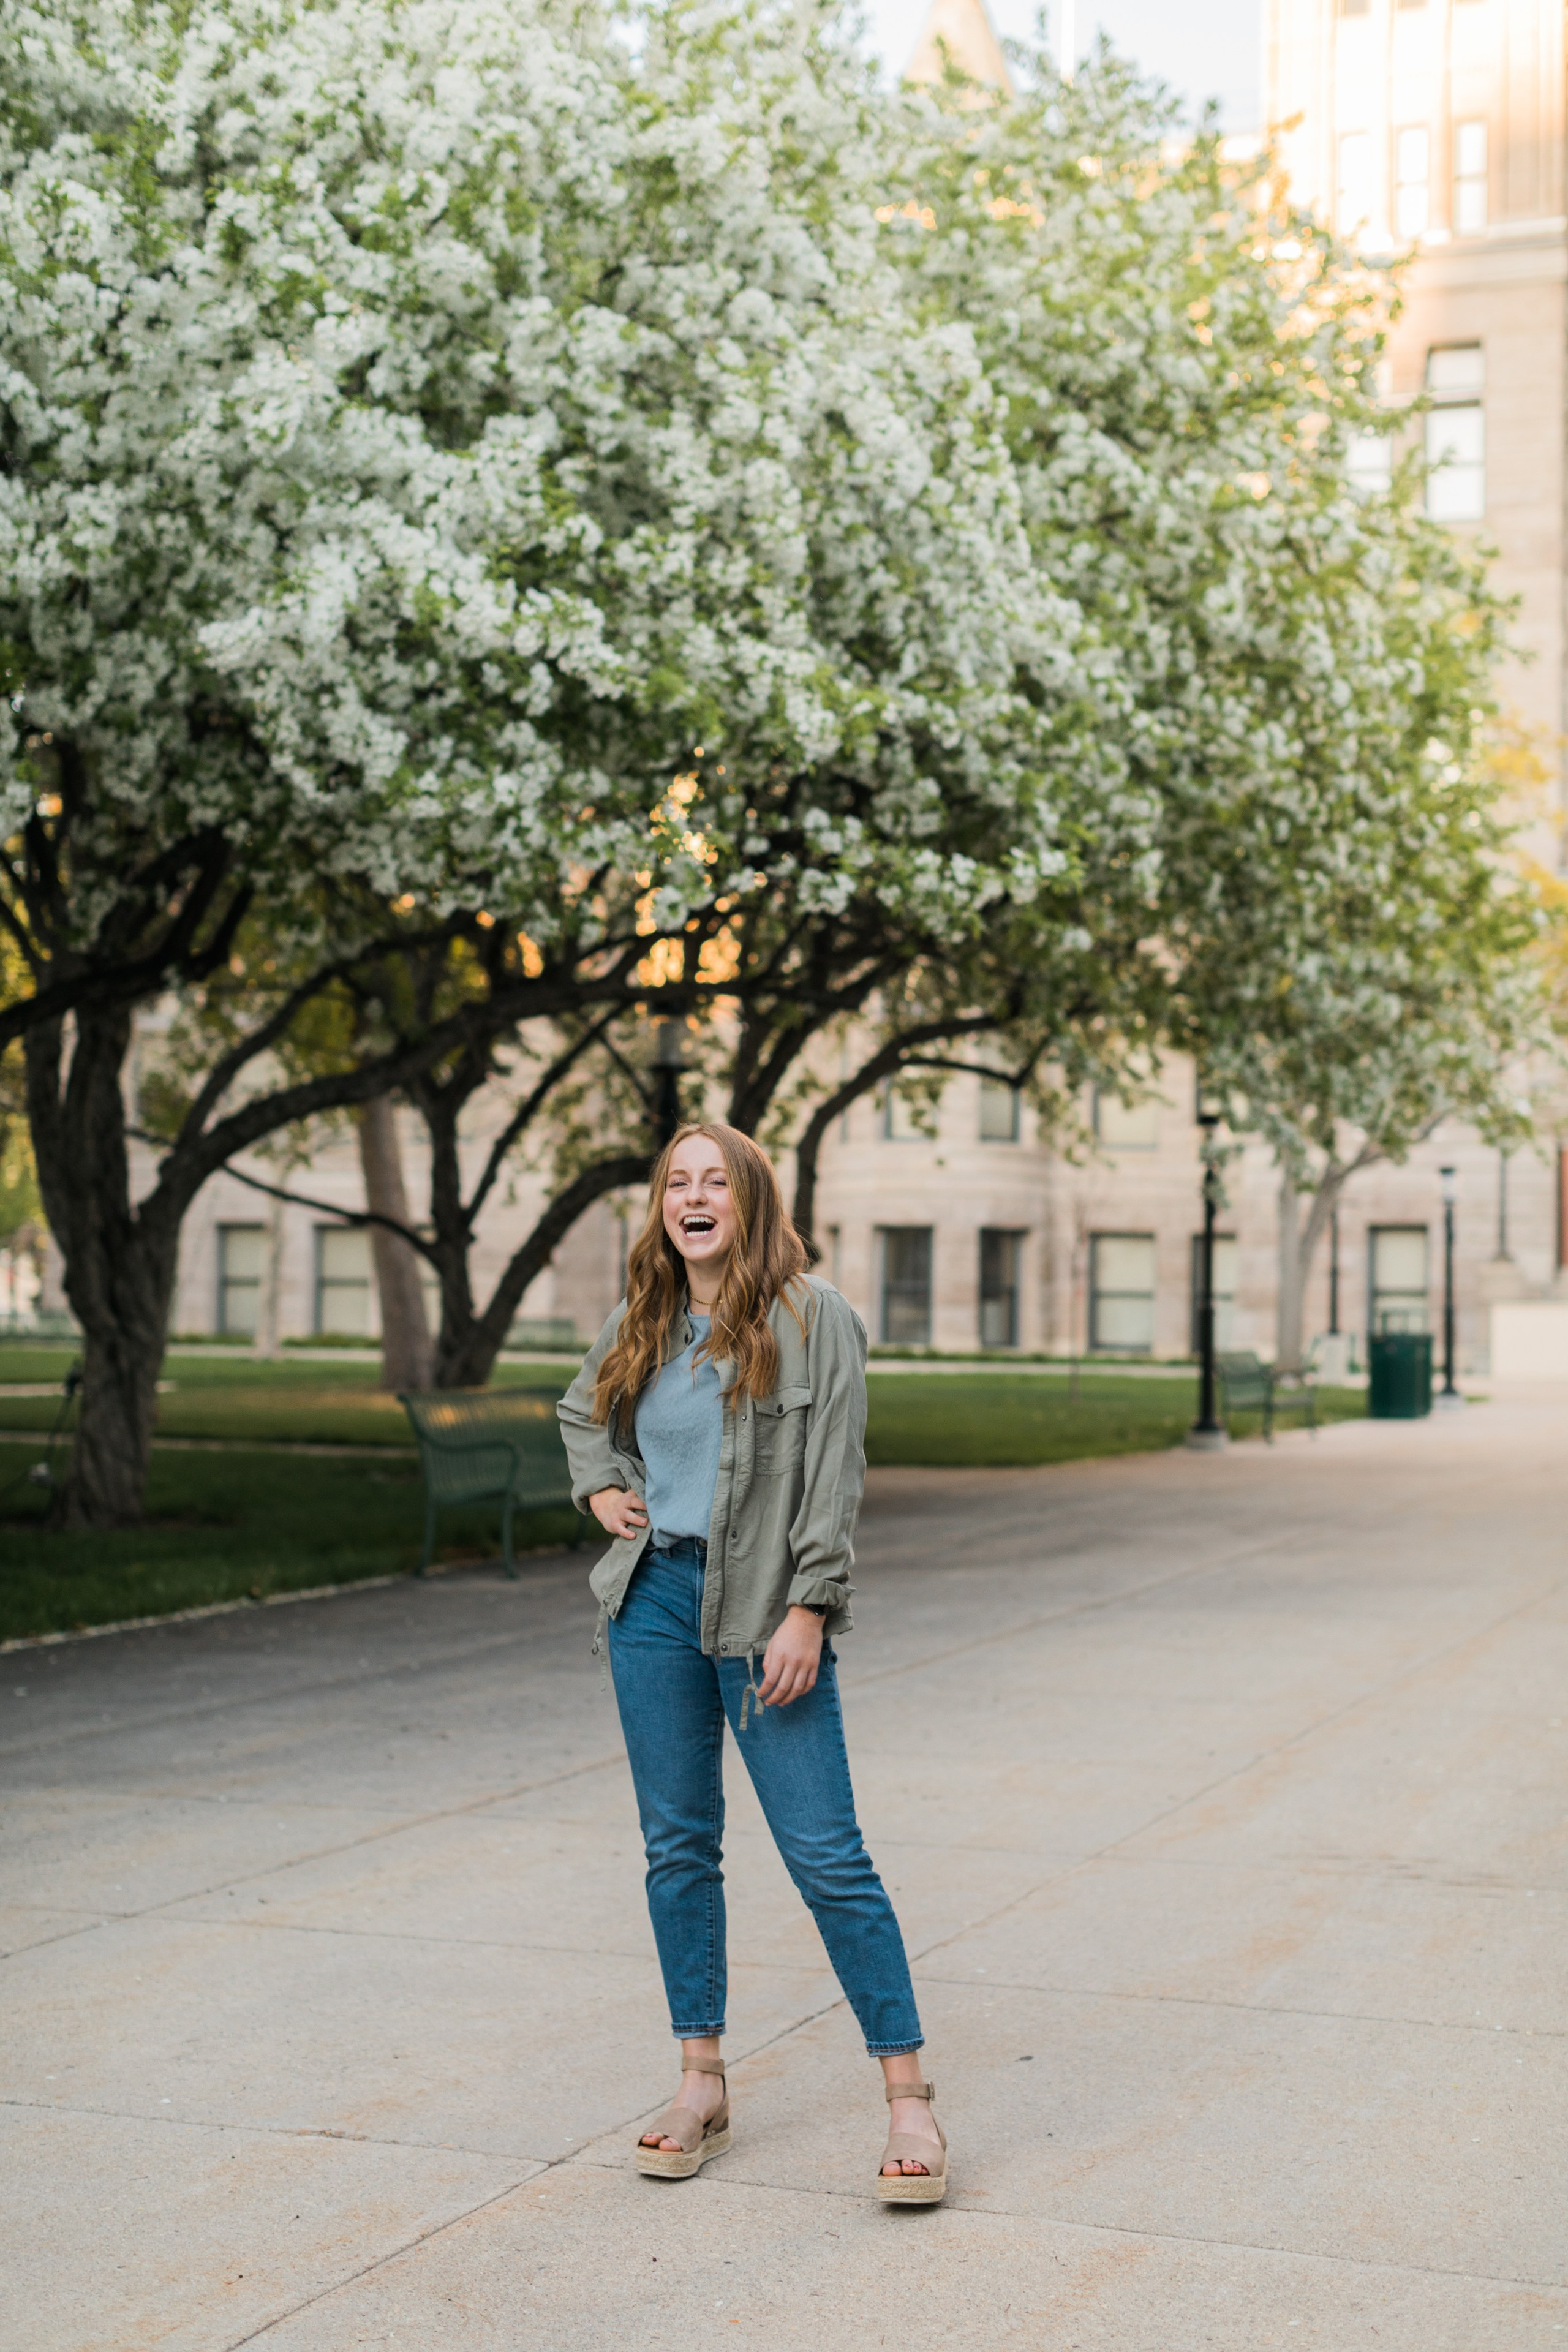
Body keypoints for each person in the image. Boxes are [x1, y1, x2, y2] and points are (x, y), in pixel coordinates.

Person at [557, 1121, 948, 2203]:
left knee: (827, 1854)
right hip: (652, 1604)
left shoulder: (814, 1319)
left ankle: (908, 2097)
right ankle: (700, 2083)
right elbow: (580, 1411)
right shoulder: (646, 1315)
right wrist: (600, 1487)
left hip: (764, 1616)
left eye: (712, 1181)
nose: (692, 1198)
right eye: (676, 1183)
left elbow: (834, 1474)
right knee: (678, 1850)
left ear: (750, 1200)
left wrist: (811, 1608)